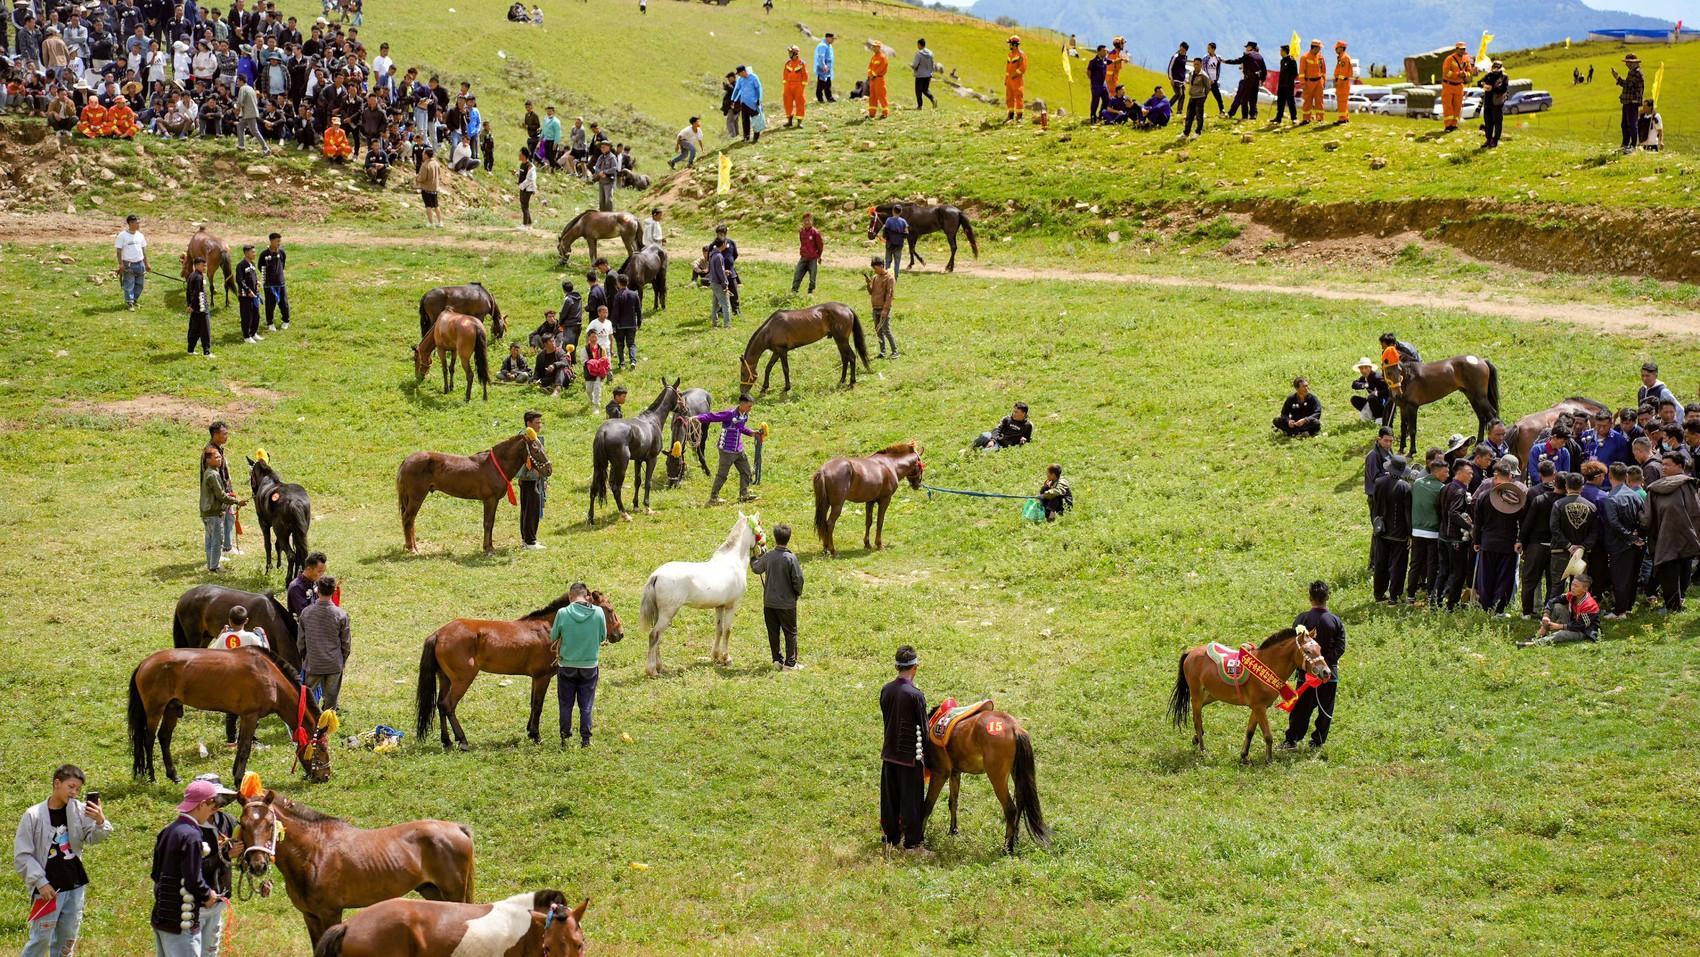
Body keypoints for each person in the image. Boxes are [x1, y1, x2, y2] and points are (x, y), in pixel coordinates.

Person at [15, 764, 111, 957]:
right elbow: (22, 855)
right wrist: (40, 883)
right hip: (48, 890)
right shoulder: (33, 815)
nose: (75, 792)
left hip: (75, 886)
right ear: (57, 783)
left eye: (78, 789)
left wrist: (100, 821)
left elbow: (93, 838)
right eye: (71, 787)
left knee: (67, 940)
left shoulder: (79, 810)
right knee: (40, 939)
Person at [150, 780, 220, 957]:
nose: (214, 810)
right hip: (182, 920)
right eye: (213, 804)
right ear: (202, 804)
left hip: (162, 916)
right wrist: (207, 894)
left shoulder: (168, 830)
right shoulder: (192, 835)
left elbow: (155, 873)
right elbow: (193, 878)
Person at [1278, 580, 1344, 752]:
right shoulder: (1335, 621)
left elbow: (1295, 645)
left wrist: (1310, 666)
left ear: (1310, 598)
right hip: (1328, 675)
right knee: (1325, 710)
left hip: (1305, 674)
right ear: (1327, 597)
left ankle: (1291, 740)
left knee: (1300, 709)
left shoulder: (1302, 619)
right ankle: (1317, 742)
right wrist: (1322, 664)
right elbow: (1340, 647)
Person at [879, 645, 930, 856]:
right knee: (912, 800)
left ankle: (891, 840)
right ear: (915, 667)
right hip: (910, 757)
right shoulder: (915, 695)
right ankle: (912, 844)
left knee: (890, 799)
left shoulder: (886, 690)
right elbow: (924, 729)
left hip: (889, 753)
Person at [190, 773, 239, 956]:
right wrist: (226, 855)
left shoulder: (228, 821)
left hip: (218, 900)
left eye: (218, 799)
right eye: (212, 799)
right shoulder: (189, 829)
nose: (216, 804)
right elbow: (192, 868)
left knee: (211, 951)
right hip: (194, 904)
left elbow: (245, 850)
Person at [552, 582, 606, 747]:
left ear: (570, 596)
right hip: (589, 667)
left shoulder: (562, 612)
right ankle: (586, 739)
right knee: (586, 704)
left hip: (567, 666)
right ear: (587, 596)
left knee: (566, 704)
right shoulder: (598, 612)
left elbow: (553, 636)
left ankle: (565, 737)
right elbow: (603, 636)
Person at [1643, 465, 1700, 613]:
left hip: (1667, 539)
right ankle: (1675, 603)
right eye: (1663, 464)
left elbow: (1647, 519)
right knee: (1677, 570)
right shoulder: (1688, 486)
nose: (1664, 467)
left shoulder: (1657, 490)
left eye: (1667, 464)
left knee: (1671, 571)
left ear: (1680, 466)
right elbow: (1695, 511)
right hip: (1684, 536)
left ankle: (1674, 605)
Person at [1473, 461, 1527, 616]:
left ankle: (1486, 607)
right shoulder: (1517, 496)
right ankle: (1498, 609)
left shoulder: (1484, 496)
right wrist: (1520, 540)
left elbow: (1478, 522)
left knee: (1486, 576)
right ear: (1510, 476)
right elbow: (1522, 521)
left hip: (1487, 542)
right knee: (1504, 577)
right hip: (1508, 543)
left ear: (1495, 477)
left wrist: (1476, 541)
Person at [750, 522, 804, 669]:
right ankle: (790, 664)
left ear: (775, 537)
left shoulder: (768, 556)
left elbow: (756, 568)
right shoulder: (790, 558)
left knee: (773, 632)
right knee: (790, 633)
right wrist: (796, 594)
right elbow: (798, 580)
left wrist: (753, 557)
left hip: (769, 603)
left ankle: (777, 661)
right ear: (788, 538)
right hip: (787, 604)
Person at [697, 394, 762, 505]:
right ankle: (713, 498)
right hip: (726, 451)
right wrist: (697, 418)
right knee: (722, 475)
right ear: (742, 404)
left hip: (738, 450)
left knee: (746, 471)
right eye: (749, 406)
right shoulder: (729, 414)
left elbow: (740, 428)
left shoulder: (744, 415)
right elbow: (713, 417)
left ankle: (744, 494)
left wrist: (752, 433)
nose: (750, 409)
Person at [1602, 461, 1646, 618]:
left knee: (1619, 578)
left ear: (1610, 476)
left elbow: (1614, 523)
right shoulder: (1636, 496)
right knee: (1633, 576)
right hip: (1637, 544)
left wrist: (1630, 537)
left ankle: (1620, 611)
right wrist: (1637, 537)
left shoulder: (1611, 499)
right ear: (1626, 476)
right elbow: (1644, 519)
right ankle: (1628, 606)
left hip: (1619, 544)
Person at [299, 577, 349, 711]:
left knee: (309, 697)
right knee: (331, 698)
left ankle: (309, 722)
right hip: (334, 663)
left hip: (313, 663)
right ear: (334, 591)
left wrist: (305, 657)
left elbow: (301, 642)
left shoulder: (306, 613)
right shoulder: (341, 614)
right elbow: (346, 643)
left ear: (317, 591)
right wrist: (342, 660)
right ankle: (326, 727)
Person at [1519, 461, 1561, 618]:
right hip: (1556, 544)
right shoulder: (1562, 497)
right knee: (1553, 581)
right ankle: (1548, 611)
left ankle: (1527, 611)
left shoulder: (1533, 493)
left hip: (1535, 543)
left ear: (1539, 473)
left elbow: (1526, 520)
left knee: (1530, 579)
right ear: (1554, 473)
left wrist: (1522, 540)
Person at [1435, 461, 1476, 610]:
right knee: (1458, 572)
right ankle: (1452, 604)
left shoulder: (1445, 487)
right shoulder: (1460, 491)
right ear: (1459, 473)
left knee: (1443, 571)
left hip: (1442, 535)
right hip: (1456, 538)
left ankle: (1435, 602)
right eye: (1469, 472)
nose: (1471, 475)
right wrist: (1470, 527)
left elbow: (1439, 509)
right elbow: (1454, 513)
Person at [1518, 574, 1601, 647]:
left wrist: (1559, 626)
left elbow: (1580, 626)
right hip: (1572, 623)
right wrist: (1546, 615)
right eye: (1572, 585)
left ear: (1585, 589)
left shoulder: (1589, 605)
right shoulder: (1572, 595)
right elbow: (1552, 601)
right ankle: (1539, 634)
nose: (1572, 588)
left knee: (1561, 634)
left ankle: (1535, 643)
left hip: (1584, 631)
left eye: (1576, 586)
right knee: (1557, 606)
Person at [1371, 455, 1412, 603]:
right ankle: (1394, 596)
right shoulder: (1405, 487)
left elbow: (1375, 504)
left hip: (1381, 530)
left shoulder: (1379, 482)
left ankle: (1379, 593)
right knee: (1398, 566)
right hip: (1399, 533)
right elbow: (1407, 513)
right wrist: (1409, 533)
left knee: (1381, 563)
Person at [1408, 456, 1447, 602]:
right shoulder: (1441, 488)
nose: (1447, 475)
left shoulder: (1417, 483)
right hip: (1433, 532)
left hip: (1416, 530)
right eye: (1445, 473)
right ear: (1436, 473)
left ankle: (1411, 594)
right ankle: (1431, 593)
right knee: (1432, 564)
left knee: (1415, 563)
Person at [200, 446, 242, 573]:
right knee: (217, 541)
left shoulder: (208, 473)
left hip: (206, 512)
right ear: (208, 460)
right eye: (216, 457)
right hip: (214, 513)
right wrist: (237, 501)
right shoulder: (213, 475)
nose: (219, 459)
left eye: (220, 457)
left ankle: (211, 565)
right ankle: (215, 567)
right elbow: (221, 495)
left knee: (210, 540)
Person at [516, 411, 549, 549]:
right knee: (531, 509)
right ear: (528, 423)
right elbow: (521, 460)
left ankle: (527, 539)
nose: (539, 425)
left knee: (528, 509)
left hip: (534, 479)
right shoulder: (525, 439)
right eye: (537, 422)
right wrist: (531, 472)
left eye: (540, 422)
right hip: (530, 479)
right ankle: (530, 541)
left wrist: (544, 478)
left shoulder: (534, 437)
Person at [115, 213, 149, 310]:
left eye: (139, 223)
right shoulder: (122, 236)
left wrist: (147, 263)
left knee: (140, 284)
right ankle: (130, 303)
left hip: (140, 263)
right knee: (129, 284)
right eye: (137, 223)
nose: (139, 225)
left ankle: (134, 300)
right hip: (128, 264)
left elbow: (143, 250)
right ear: (130, 223)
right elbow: (118, 251)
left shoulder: (140, 235)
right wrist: (121, 264)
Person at [1612, 54, 1644, 153]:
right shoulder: (1632, 72)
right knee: (1625, 124)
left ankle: (1633, 145)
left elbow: (1628, 85)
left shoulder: (1636, 73)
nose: (1626, 64)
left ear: (1634, 63)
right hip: (1628, 101)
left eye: (1628, 62)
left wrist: (1617, 78)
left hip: (1632, 101)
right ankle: (1625, 144)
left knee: (1631, 123)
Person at [257, 232, 289, 332]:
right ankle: (270, 323)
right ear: (271, 241)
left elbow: (282, 265)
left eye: (280, 241)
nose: (279, 243)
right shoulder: (264, 254)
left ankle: (286, 321)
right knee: (270, 304)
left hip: (280, 283)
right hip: (269, 284)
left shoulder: (282, 252)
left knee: (284, 303)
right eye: (277, 241)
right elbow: (260, 267)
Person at [867, 255, 896, 359]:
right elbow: (871, 292)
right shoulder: (875, 278)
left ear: (881, 266)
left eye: (875, 268)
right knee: (878, 331)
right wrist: (868, 284)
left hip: (883, 309)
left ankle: (894, 351)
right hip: (875, 308)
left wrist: (885, 309)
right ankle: (882, 352)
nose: (874, 270)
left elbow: (889, 295)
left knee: (886, 330)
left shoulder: (889, 278)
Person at [610, 273, 641, 370]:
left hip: (620, 325)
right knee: (631, 344)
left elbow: (615, 312)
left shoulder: (618, 296)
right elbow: (639, 310)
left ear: (618, 283)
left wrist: (613, 325)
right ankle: (632, 361)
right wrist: (639, 322)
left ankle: (622, 363)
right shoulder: (634, 294)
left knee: (620, 344)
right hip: (632, 324)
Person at [1348, 357, 1391, 424]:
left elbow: (1389, 391)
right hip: (1373, 402)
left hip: (1384, 405)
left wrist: (1377, 393)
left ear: (1370, 368)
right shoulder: (1365, 378)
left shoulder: (1377, 377)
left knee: (1371, 397)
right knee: (1354, 399)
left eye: (1366, 368)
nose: (1364, 370)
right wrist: (1364, 385)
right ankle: (1372, 415)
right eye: (1361, 368)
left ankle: (1380, 417)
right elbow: (1354, 384)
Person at [1439, 41, 1470, 133]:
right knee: (1448, 105)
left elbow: (1469, 71)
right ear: (1456, 49)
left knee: (1457, 106)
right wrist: (1458, 74)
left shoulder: (1466, 59)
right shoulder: (1449, 59)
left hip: (1459, 86)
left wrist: (1465, 74)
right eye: (1460, 49)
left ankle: (1454, 125)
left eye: (1464, 49)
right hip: (1448, 85)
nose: (1462, 51)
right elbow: (1446, 72)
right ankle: (1448, 126)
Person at [234, 243, 261, 344]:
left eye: (255, 252)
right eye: (252, 252)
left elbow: (254, 276)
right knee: (247, 316)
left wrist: (257, 281)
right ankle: (246, 336)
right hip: (245, 296)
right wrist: (248, 290)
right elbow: (239, 280)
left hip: (254, 295)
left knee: (256, 315)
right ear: (246, 253)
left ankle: (253, 333)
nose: (255, 254)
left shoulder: (253, 264)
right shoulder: (241, 266)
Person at [185, 255, 212, 356]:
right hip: (201, 308)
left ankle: (190, 350)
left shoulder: (192, 275)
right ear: (196, 265)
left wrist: (189, 305)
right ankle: (207, 352)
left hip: (195, 309)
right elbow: (196, 293)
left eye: (205, 265)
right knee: (205, 330)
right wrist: (192, 305)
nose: (204, 267)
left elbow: (188, 292)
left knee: (194, 329)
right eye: (202, 265)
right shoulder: (199, 277)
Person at [792, 213, 823, 295]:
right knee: (797, 274)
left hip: (812, 258)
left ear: (811, 221)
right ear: (803, 221)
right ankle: (794, 291)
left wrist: (819, 256)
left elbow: (820, 245)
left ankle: (810, 292)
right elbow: (802, 243)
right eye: (805, 221)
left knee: (812, 277)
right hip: (803, 257)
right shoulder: (801, 232)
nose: (807, 222)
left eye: (808, 220)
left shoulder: (815, 233)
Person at [1479, 59, 1507, 148]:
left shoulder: (1504, 77)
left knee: (1498, 122)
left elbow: (1503, 89)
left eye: (1497, 67)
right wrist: (1483, 84)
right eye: (1494, 67)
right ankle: (1488, 139)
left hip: (1497, 103)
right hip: (1487, 102)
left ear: (1501, 68)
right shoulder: (1488, 75)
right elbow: (1479, 82)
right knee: (1488, 122)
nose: (1495, 69)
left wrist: (1492, 88)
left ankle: (1495, 140)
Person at [731, 64, 763, 143]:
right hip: (744, 102)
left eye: (739, 73)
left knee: (755, 119)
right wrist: (733, 99)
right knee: (745, 120)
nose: (738, 75)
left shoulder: (753, 77)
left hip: (753, 103)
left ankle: (756, 136)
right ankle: (746, 136)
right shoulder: (740, 80)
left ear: (743, 72)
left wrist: (759, 99)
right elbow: (737, 89)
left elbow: (759, 88)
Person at [582, 329, 610, 410]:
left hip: (599, 372)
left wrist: (603, 366)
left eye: (595, 336)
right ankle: (592, 401)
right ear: (589, 338)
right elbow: (584, 361)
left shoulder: (602, 348)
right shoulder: (585, 349)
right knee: (589, 390)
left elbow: (605, 360)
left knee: (597, 388)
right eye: (592, 337)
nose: (594, 339)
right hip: (589, 372)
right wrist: (593, 363)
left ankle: (596, 406)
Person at [1298, 39, 1325, 125]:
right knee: (1307, 101)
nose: (1320, 50)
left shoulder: (1320, 57)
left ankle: (1320, 119)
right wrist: (1303, 83)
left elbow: (1323, 70)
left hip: (1319, 82)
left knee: (1319, 101)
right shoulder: (1304, 57)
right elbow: (1301, 72)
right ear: (1314, 48)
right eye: (1319, 48)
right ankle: (1306, 119)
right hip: (1309, 82)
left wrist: (1323, 81)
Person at [708, 238, 732, 328]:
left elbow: (715, 270)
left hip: (713, 282)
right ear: (722, 244)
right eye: (725, 243)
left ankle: (714, 324)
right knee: (726, 304)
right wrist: (725, 284)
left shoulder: (712, 255)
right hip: (719, 283)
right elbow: (720, 272)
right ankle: (727, 325)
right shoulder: (719, 256)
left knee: (715, 305)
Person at [781, 45, 807, 127]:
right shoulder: (787, 63)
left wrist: (802, 86)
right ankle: (789, 121)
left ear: (795, 53)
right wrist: (785, 85)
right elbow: (785, 74)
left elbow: (805, 75)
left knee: (800, 103)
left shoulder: (801, 64)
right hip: (788, 86)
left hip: (798, 86)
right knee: (787, 102)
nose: (789, 54)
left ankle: (799, 122)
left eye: (790, 52)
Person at [417, 147, 444, 227]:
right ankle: (440, 222)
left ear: (426, 155)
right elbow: (439, 173)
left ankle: (430, 222)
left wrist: (417, 178)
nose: (422, 154)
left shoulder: (425, 165)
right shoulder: (436, 163)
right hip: (434, 188)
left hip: (426, 188)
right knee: (436, 205)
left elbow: (422, 178)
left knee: (428, 206)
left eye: (423, 153)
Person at [1272, 44, 1298, 125]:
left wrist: (1289, 80)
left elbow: (1295, 73)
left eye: (1281, 50)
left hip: (1289, 85)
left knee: (1290, 102)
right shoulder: (1282, 61)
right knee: (1280, 102)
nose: (1280, 52)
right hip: (1281, 85)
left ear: (1284, 51)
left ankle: (1294, 118)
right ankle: (1278, 118)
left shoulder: (1292, 60)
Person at [1182, 57, 1208, 137]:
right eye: (1194, 64)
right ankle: (1186, 133)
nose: (1195, 66)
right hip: (1192, 97)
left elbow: (1208, 87)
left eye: (1197, 64)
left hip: (1200, 98)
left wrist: (1203, 96)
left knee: (1199, 116)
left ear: (1201, 65)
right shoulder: (1191, 73)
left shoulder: (1203, 75)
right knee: (1189, 116)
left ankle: (1198, 132)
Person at [880, 208, 908, 280]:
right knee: (897, 262)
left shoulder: (889, 220)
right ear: (901, 212)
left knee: (888, 261)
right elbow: (906, 234)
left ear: (893, 211)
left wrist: (885, 238)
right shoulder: (903, 221)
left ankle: (886, 276)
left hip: (889, 244)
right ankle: (895, 277)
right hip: (899, 244)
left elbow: (885, 231)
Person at [1003, 35, 1026, 122]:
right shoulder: (1010, 55)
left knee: (1018, 96)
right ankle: (1010, 115)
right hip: (1009, 80)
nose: (1009, 46)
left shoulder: (1021, 55)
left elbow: (1023, 68)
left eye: (1010, 44)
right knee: (1009, 97)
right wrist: (1006, 79)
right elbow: (1007, 68)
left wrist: (1014, 75)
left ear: (1015, 45)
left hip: (1017, 80)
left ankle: (1019, 116)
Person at [865, 41, 890, 119]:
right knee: (872, 96)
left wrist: (873, 74)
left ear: (879, 47)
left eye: (875, 46)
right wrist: (869, 74)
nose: (873, 48)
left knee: (881, 95)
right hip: (872, 80)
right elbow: (870, 67)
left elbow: (882, 68)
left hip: (879, 79)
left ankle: (885, 113)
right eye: (873, 46)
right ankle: (872, 113)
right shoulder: (873, 57)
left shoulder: (883, 57)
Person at [592, 139, 619, 211]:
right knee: (601, 200)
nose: (602, 149)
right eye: (601, 147)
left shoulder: (612, 157)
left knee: (608, 200)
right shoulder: (601, 157)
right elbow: (596, 167)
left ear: (608, 147)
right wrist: (600, 172)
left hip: (608, 181)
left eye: (604, 147)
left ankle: (609, 215)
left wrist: (604, 172)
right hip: (601, 180)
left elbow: (615, 168)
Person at [911, 38, 937, 110]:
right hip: (928, 75)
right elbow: (933, 63)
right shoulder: (931, 53)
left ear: (919, 44)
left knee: (918, 91)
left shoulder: (919, 54)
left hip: (920, 75)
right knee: (925, 90)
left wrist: (912, 66)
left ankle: (920, 106)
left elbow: (915, 65)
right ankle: (933, 99)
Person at [1086, 44, 1109, 121]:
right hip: (1096, 84)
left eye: (1106, 51)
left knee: (1106, 99)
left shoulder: (1105, 60)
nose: (1106, 52)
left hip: (1103, 84)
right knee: (1095, 100)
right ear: (1099, 51)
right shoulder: (1093, 61)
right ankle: (1093, 115)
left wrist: (1121, 59)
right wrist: (1092, 80)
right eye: (1104, 51)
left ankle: (1102, 114)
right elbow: (1088, 72)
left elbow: (1113, 61)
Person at [1331, 40, 1352, 124]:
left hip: (1343, 83)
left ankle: (1342, 119)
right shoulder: (1342, 57)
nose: (1335, 49)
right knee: (1343, 101)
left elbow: (1343, 73)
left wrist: (1338, 82)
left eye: (1337, 48)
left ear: (1341, 48)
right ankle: (1345, 117)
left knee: (1342, 101)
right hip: (1342, 82)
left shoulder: (1344, 58)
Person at [515, 146, 536, 229]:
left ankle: (525, 225)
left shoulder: (530, 166)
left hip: (528, 189)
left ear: (524, 155)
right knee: (524, 205)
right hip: (523, 188)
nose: (518, 155)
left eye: (520, 153)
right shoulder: (522, 164)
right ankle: (529, 223)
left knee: (525, 206)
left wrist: (521, 185)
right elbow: (522, 174)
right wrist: (517, 174)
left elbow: (530, 179)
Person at [814, 32, 835, 103]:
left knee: (828, 84)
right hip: (822, 68)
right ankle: (820, 99)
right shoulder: (823, 45)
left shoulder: (828, 45)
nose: (833, 40)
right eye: (832, 39)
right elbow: (821, 56)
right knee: (821, 84)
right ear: (828, 38)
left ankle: (830, 98)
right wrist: (823, 65)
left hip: (827, 69)